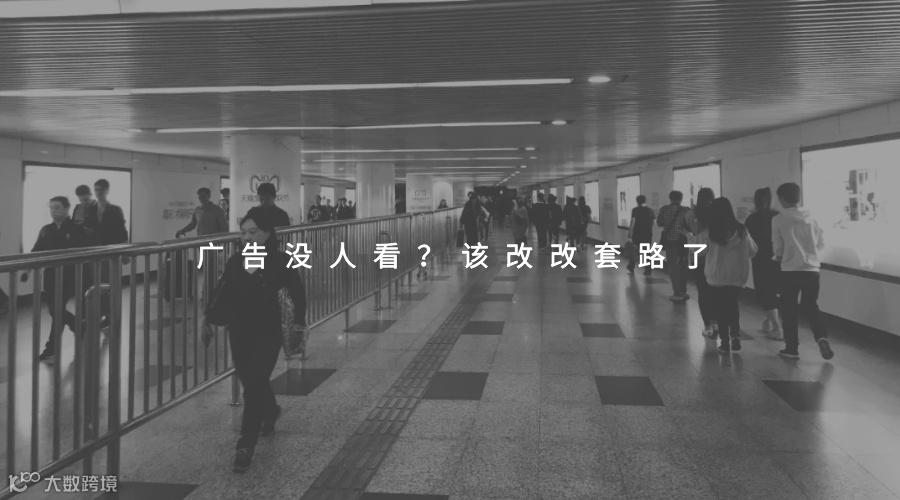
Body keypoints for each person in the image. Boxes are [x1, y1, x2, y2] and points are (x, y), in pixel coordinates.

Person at [203, 207, 307, 473]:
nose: (247, 237)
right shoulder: (235, 261)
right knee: (252, 380)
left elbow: (298, 292)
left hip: (269, 331)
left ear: (268, 233)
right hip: (239, 330)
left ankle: (245, 444)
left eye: (253, 232)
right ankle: (270, 410)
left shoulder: (281, 260)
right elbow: (222, 292)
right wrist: (208, 320)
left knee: (254, 384)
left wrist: (299, 323)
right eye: (243, 233)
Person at [22, 197, 92, 362]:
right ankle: (78, 325)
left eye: (57, 208)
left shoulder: (77, 229)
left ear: (67, 209)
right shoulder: (46, 230)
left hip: (71, 275)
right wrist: (27, 270)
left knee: (57, 309)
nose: (53, 211)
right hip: (51, 276)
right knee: (55, 310)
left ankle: (52, 347)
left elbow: (86, 251)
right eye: (51, 208)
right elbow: (36, 250)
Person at [772, 182, 833, 360]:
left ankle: (792, 348)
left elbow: (778, 247)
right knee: (811, 305)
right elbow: (821, 243)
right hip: (812, 269)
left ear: (782, 199)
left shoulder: (778, 219)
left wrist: (780, 257)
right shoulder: (813, 218)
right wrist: (809, 254)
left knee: (789, 309)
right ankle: (821, 337)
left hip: (789, 270)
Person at [705, 197, 757, 354]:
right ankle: (735, 336)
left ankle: (725, 343)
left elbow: (700, 250)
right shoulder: (741, 230)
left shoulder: (711, 230)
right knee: (733, 306)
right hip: (736, 276)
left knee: (720, 309)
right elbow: (753, 250)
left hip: (717, 275)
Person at [744, 187, 783, 340]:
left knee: (765, 292)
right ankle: (769, 321)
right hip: (778, 259)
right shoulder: (777, 216)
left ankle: (777, 328)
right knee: (773, 291)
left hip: (760, 260)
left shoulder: (752, 219)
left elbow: (747, 241)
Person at [94, 178, 129, 329]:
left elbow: (122, 232)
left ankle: (111, 314)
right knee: (99, 285)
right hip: (96, 253)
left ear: (107, 191)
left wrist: (124, 252)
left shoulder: (115, 210)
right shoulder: (91, 210)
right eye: (96, 190)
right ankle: (104, 314)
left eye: (101, 190)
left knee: (110, 285)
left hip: (112, 253)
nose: (98, 193)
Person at [685, 188, 716, 337]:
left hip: (697, 257)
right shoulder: (716, 213)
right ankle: (715, 321)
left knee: (703, 292)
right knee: (715, 290)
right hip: (715, 257)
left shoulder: (691, 214)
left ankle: (707, 325)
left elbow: (685, 231)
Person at [657, 190, 691, 302]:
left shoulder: (664, 209)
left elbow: (659, 223)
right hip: (684, 242)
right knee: (683, 266)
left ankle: (677, 293)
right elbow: (691, 225)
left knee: (673, 267)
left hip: (671, 242)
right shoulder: (687, 210)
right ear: (681, 199)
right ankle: (683, 291)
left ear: (670, 198)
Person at [626, 195, 655, 276]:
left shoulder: (635, 210)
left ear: (637, 201)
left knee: (634, 250)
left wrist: (630, 232)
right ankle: (648, 270)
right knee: (647, 252)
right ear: (645, 201)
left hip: (637, 233)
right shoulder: (650, 210)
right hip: (647, 234)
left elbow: (633, 221)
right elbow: (653, 222)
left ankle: (631, 266)